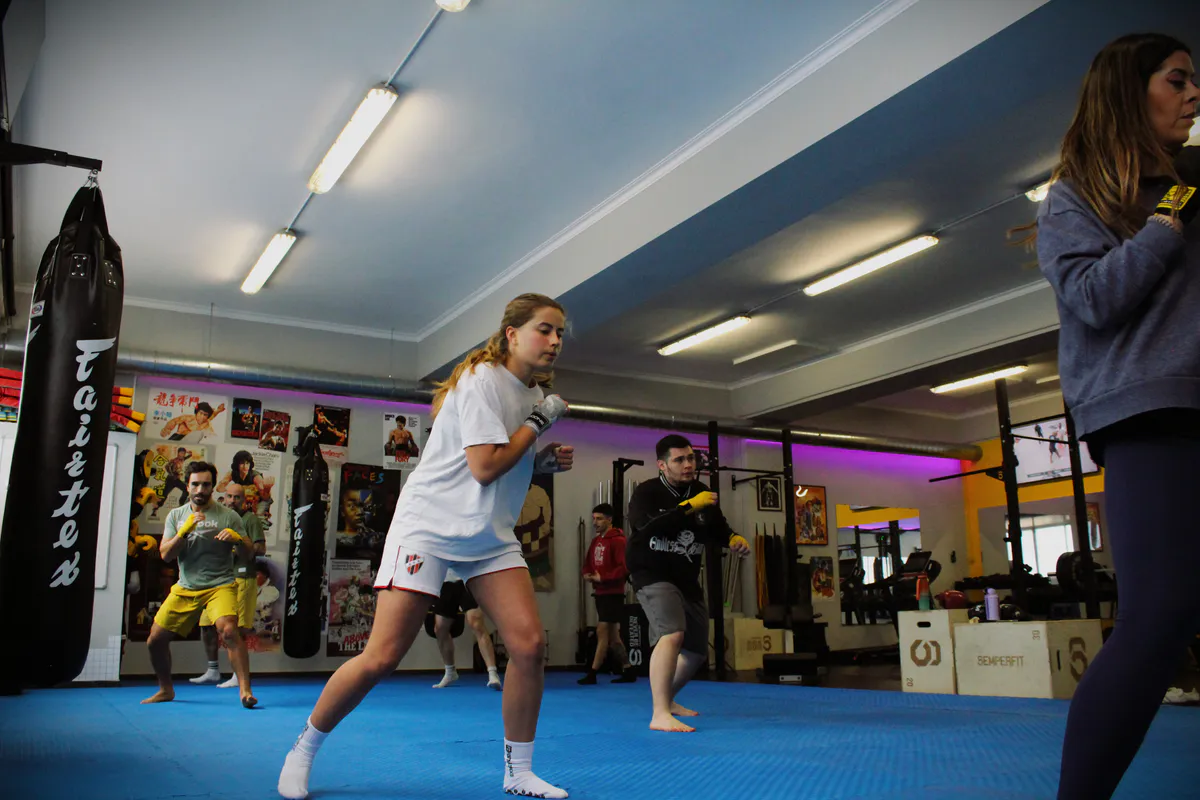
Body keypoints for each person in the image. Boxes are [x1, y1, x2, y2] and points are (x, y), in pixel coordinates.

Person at [278, 294, 574, 800]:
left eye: (560, 334)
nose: (554, 342)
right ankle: (302, 749)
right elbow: (484, 466)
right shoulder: (482, 381)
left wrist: (540, 459)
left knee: (529, 646)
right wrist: (540, 423)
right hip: (430, 526)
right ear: (511, 334)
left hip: (488, 534)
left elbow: (494, 465)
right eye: (544, 330)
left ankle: (518, 771)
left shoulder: (530, 397)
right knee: (382, 656)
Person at [1033, 33, 1199, 800]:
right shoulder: (1075, 196)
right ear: (1131, 93)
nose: (1194, 94)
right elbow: (1095, 299)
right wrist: (1172, 210)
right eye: (1178, 79)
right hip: (1150, 412)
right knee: (1159, 617)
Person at [625, 435, 750, 732]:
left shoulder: (702, 491)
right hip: (651, 572)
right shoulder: (647, 492)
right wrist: (689, 506)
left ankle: (667, 700)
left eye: (691, 458)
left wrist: (732, 539)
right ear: (662, 464)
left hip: (686, 575)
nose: (688, 464)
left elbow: (717, 527)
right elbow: (646, 526)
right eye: (680, 460)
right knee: (672, 634)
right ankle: (659, 714)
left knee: (695, 650)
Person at [141, 461, 257, 708]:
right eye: (195, 484)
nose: (200, 489)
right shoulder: (176, 515)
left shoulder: (228, 515)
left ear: (212, 486)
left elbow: (248, 553)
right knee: (155, 640)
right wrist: (184, 531)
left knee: (228, 631)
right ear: (188, 486)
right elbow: (165, 555)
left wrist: (237, 539)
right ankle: (165, 690)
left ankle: (245, 691)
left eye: (205, 484)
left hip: (220, 585)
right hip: (187, 586)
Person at [190, 483, 267, 687]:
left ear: (244, 500)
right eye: (229, 497)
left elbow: (260, 547)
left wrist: (239, 546)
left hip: (242, 577)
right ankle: (213, 670)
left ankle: (237, 676)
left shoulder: (250, 519)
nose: (233, 501)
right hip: (216, 580)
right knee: (206, 625)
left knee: (237, 629)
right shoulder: (219, 516)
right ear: (223, 498)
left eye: (237, 498)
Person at [577, 503, 635, 685]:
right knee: (613, 637)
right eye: (594, 518)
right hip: (601, 592)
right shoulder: (596, 541)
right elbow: (587, 563)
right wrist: (587, 574)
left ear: (609, 520)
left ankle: (593, 672)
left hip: (613, 592)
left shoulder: (618, 541)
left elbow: (624, 568)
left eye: (599, 518)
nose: (595, 522)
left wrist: (603, 577)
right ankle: (628, 669)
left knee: (602, 631)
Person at [430, 577, 503, 690]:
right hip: (446, 582)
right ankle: (450, 672)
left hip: (467, 579)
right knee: (440, 629)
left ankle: (493, 674)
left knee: (476, 623)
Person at [160, 401, 225, 441]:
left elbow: (214, 414)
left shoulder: (207, 421)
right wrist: (167, 429)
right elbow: (174, 421)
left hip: (194, 443)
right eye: (201, 413)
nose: (202, 417)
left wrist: (219, 410)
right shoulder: (188, 418)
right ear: (196, 412)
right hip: (178, 438)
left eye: (205, 415)